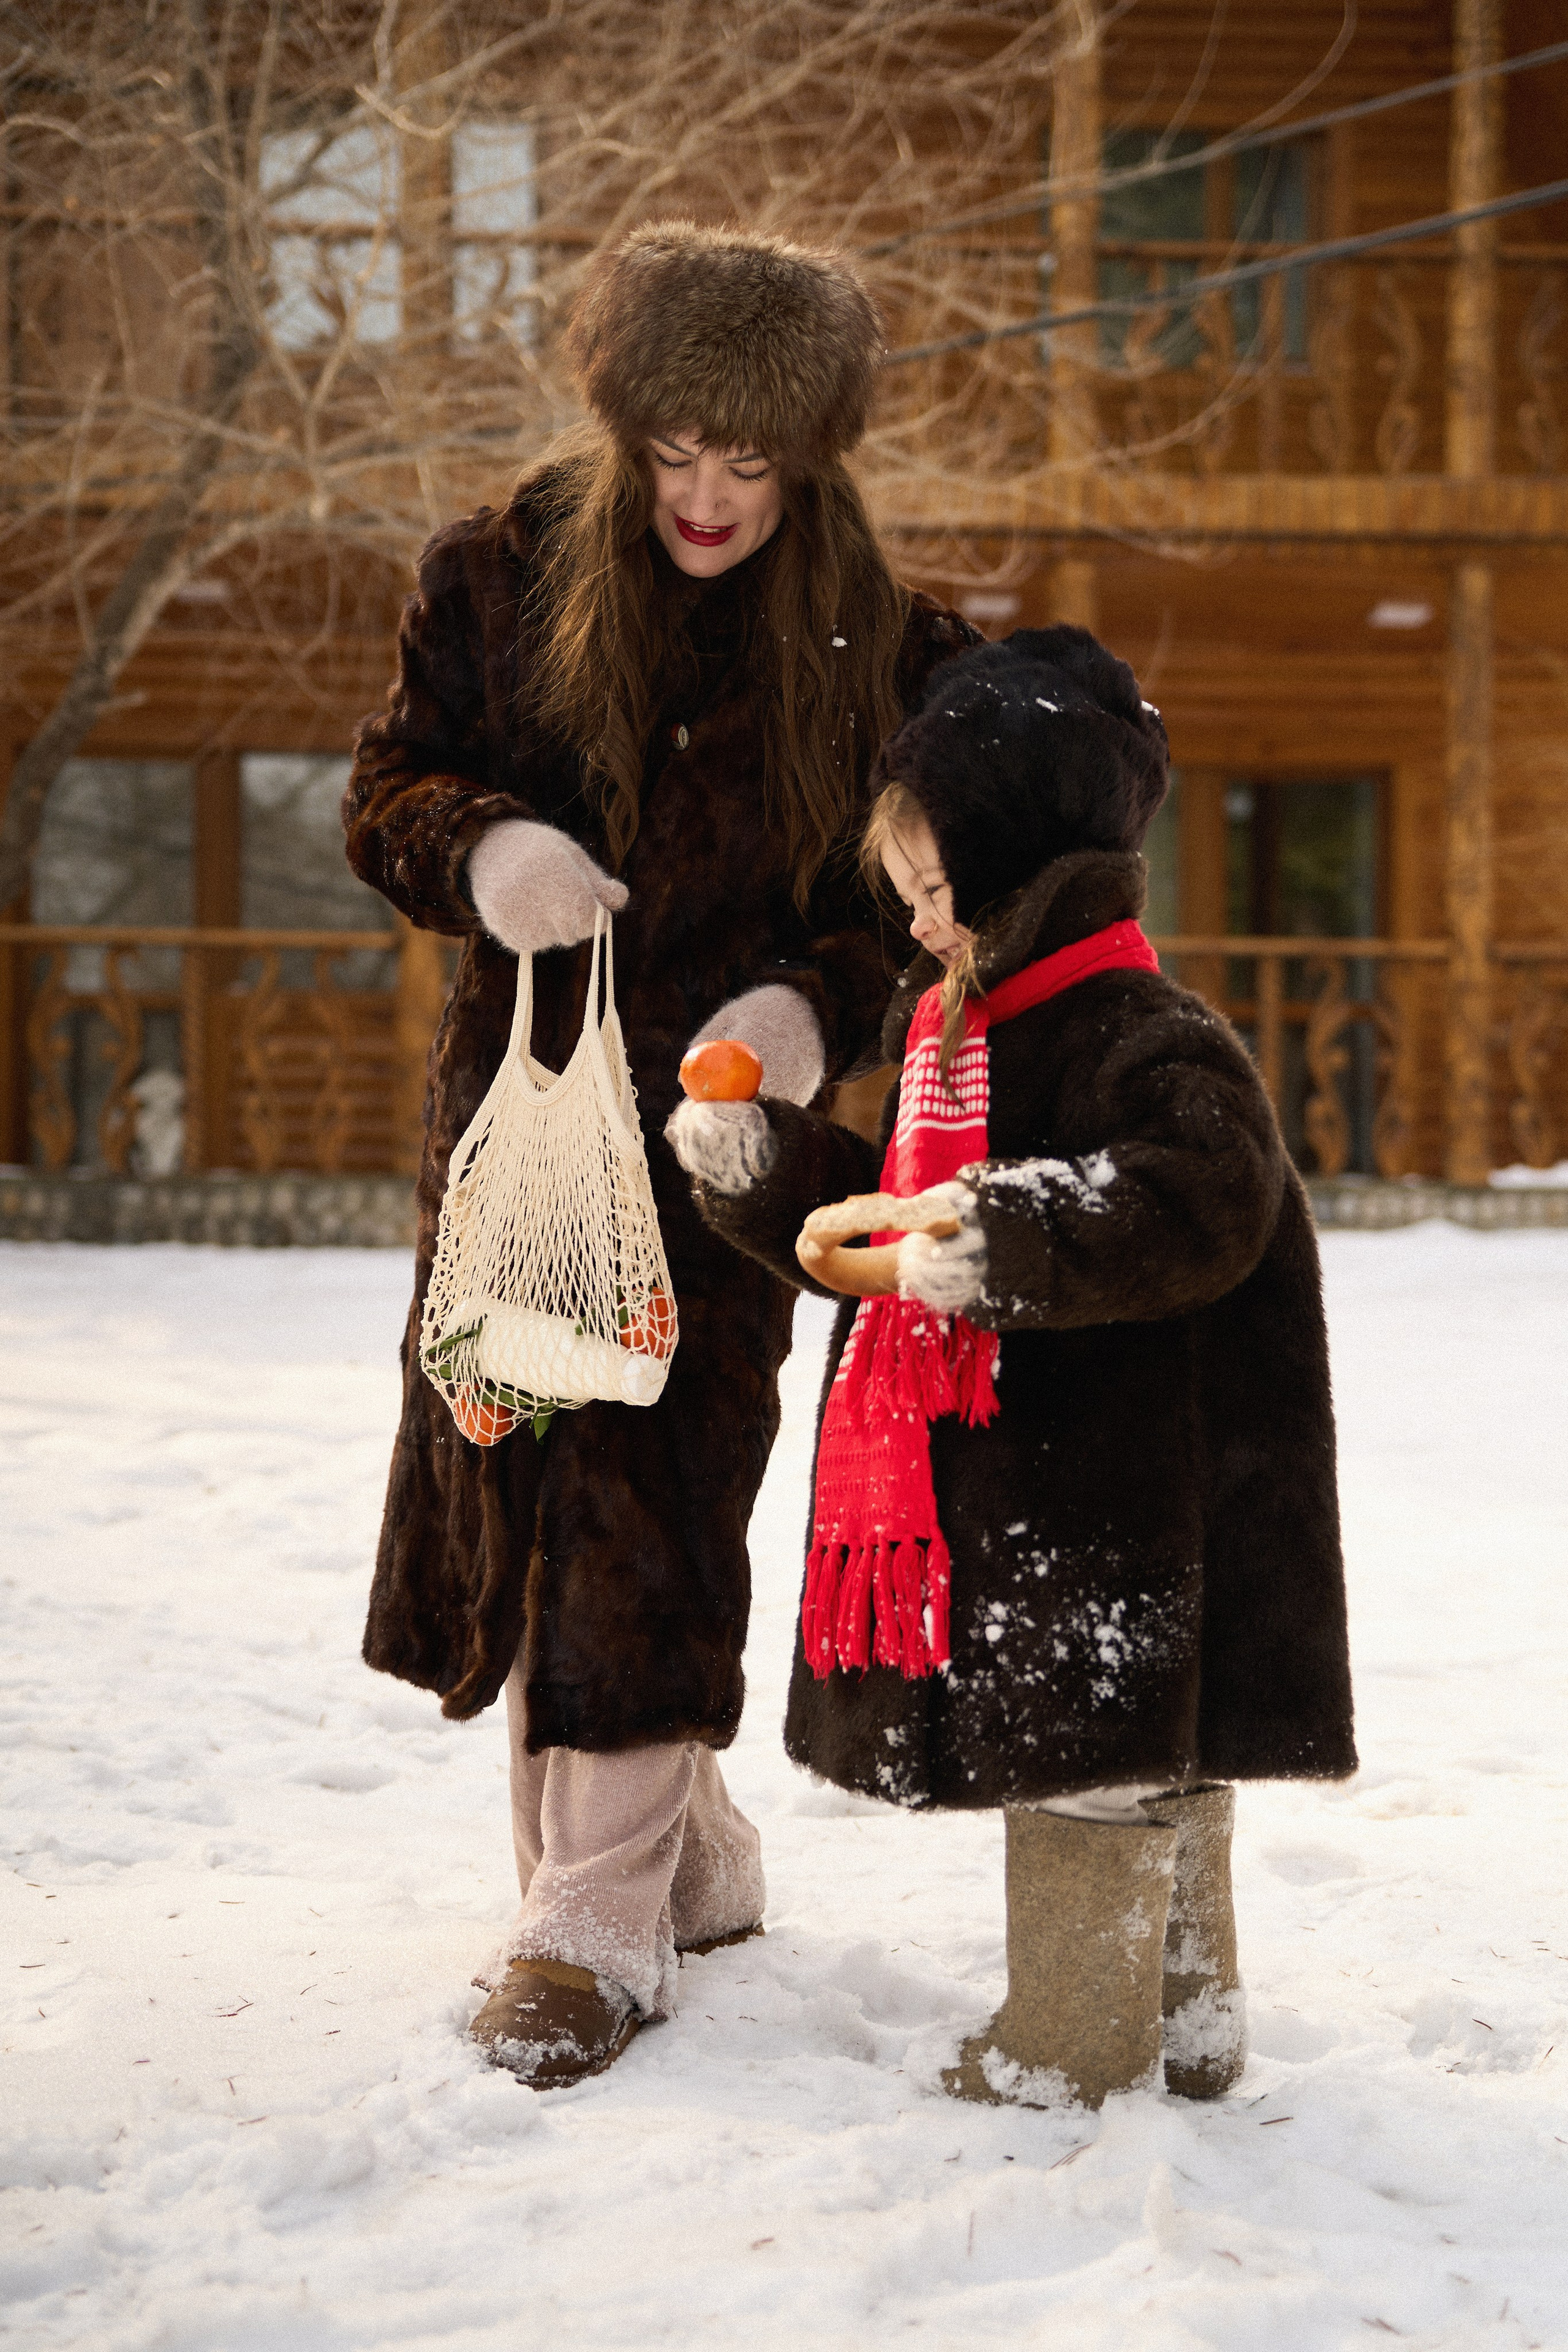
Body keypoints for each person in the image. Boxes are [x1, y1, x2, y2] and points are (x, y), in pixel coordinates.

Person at [342, 221, 978, 2089]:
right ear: (630, 429)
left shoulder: (893, 644)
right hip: (527, 1112)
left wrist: (812, 1007)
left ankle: (590, 1917)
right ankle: (676, 1856)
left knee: (660, 1471)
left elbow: (914, 903)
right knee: (530, 1458)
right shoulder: (497, 572)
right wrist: (478, 852)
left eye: (753, 459)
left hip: (724, 1147)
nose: (709, 495)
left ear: (811, 455)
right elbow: (385, 795)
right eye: (678, 450)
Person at [673, 625, 1357, 2110]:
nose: (918, 923)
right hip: (1062, 1473)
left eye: (938, 887)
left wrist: (1003, 1233)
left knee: (1093, 1753)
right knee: (1136, 1748)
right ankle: (1183, 2023)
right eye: (905, 892)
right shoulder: (965, 1038)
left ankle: (1073, 2041)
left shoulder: (1133, 1026)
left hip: (1129, 1475)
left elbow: (1203, 1196)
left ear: (1020, 857)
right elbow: (884, 1218)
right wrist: (762, 1167)